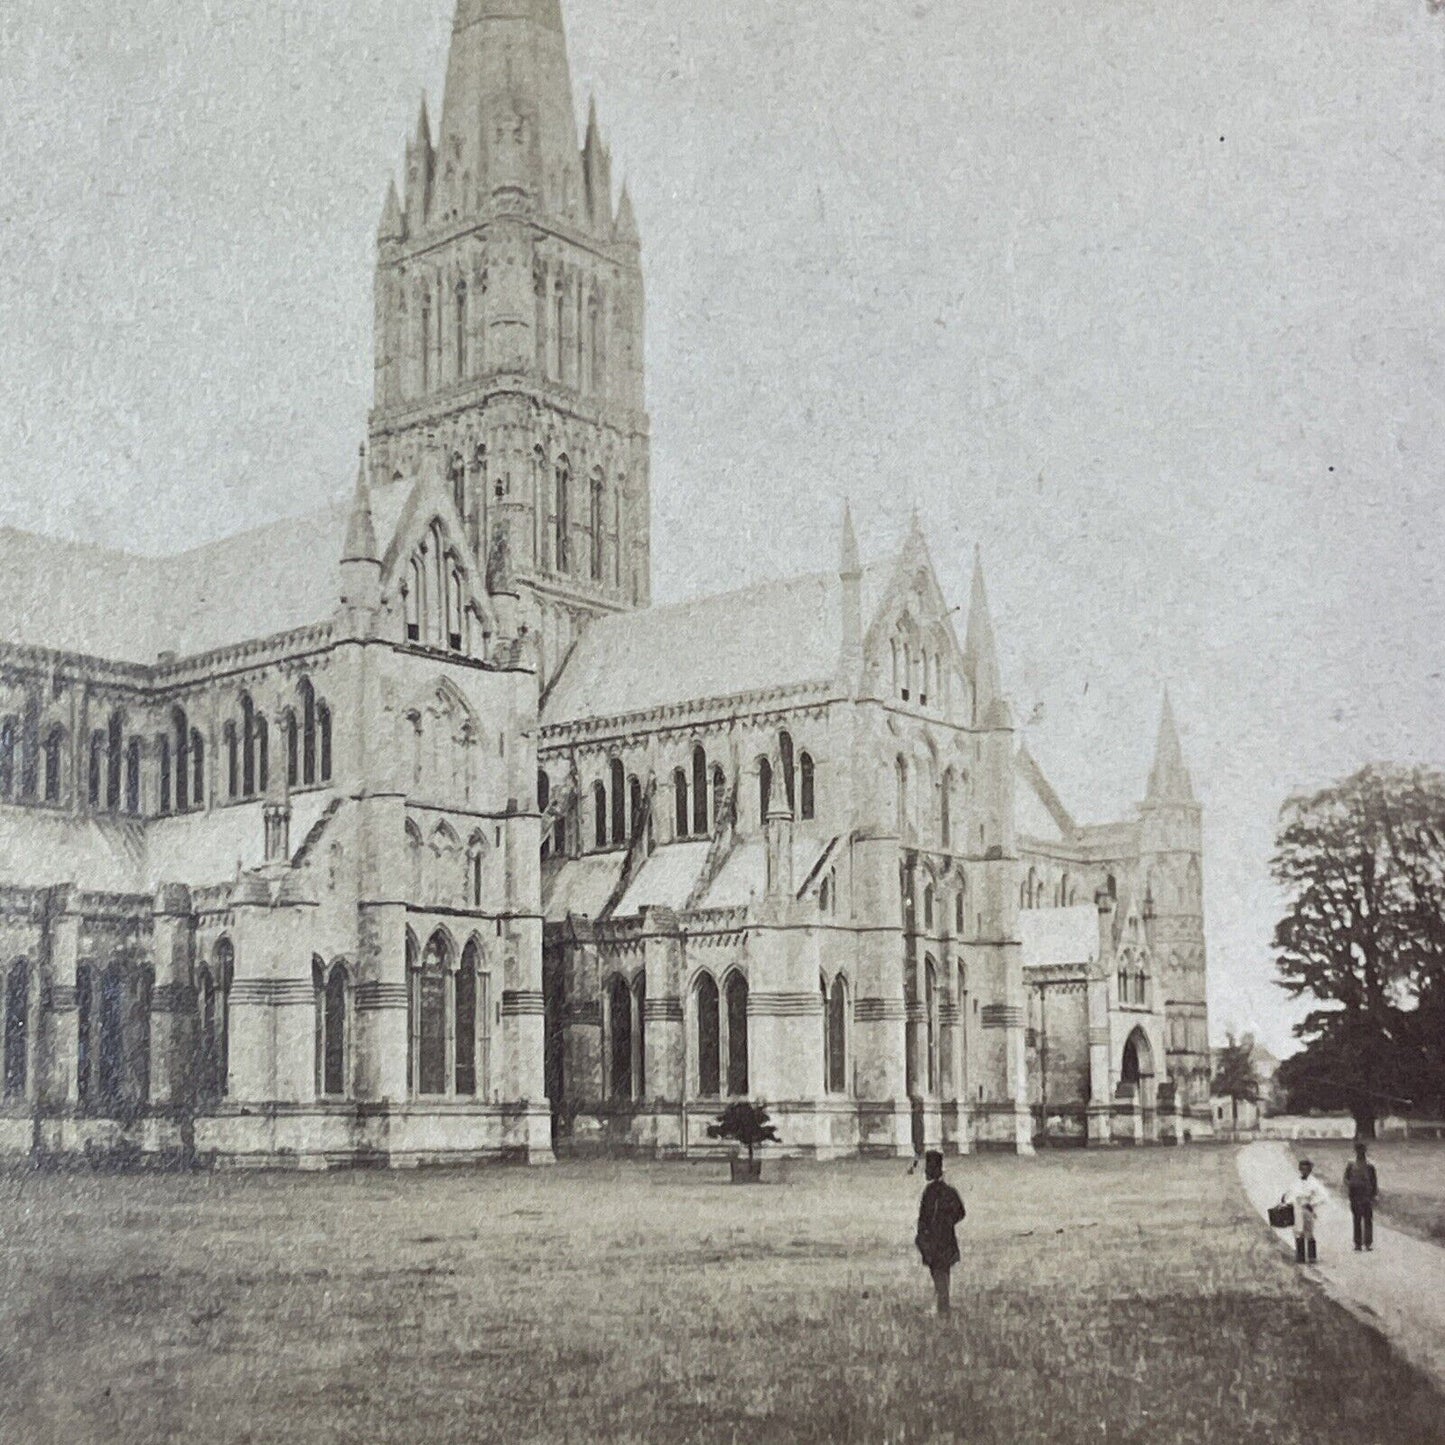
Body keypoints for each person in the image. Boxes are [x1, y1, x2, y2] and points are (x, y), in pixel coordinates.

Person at [914, 1150, 966, 1315]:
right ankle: (942, 1304)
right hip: (946, 1238)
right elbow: (960, 1212)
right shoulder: (949, 1191)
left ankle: (942, 1307)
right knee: (943, 1272)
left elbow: (924, 1217)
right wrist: (948, 1224)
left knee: (938, 1272)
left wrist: (923, 1234)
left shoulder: (929, 1193)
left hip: (933, 1240)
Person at [1281, 1157, 1329, 1264]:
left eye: (1306, 1169)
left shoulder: (1314, 1182)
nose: (1304, 1171)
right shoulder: (1296, 1182)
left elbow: (1324, 1196)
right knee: (1298, 1232)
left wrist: (1312, 1203)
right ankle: (1300, 1257)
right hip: (1297, 1209)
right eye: (1302, 1169)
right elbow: (1290, 1195)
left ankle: (1312, 1257)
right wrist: (1286, 1201)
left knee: (1309, 1232)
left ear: (1310, 1170)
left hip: (1307, 1209)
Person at [1344, 1142, 1379, 1252]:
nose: (1360, 1152)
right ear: (1355, 1151)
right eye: (1358, 1150)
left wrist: (1373, 1194)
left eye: (1362, 1150)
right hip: (1355, 1195)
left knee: (1368, 1219)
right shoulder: (1351, 1164)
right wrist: (1351, 1185)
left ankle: (1368, 1243)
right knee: (1357, 1219)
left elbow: (1374, 1180)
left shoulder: (1370, 1165)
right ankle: (1357, 1243)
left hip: (1367, 1195)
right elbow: (1345, 1178)